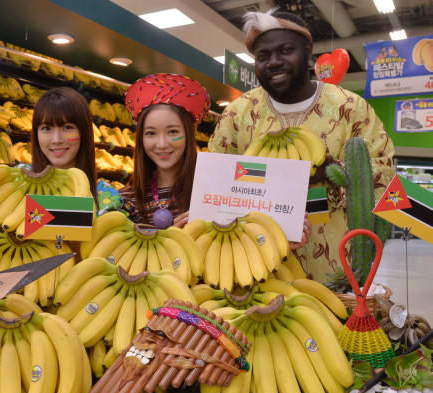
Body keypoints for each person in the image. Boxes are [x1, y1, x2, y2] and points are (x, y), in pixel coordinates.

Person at [208, 9, 395, 282]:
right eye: (263, 56)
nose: (273, 62)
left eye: (285, 51)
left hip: (335, 270)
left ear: (307, 51)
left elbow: (384, 172)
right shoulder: (239, 112)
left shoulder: (350, 108)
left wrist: (336, 173)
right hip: (253, 267)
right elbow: (215, 177)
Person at [118, 73, 210, 229]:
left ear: (191, 131)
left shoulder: (211, 195)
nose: (161, 144)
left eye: (172, 132)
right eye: (151, 133)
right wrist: (168, 237)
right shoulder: (125, 200)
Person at [30, 87, 97, 199]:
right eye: (46, 128)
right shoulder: (16, 181)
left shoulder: (106, 198)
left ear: (84, 132)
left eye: (68, 127)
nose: (56, 140)